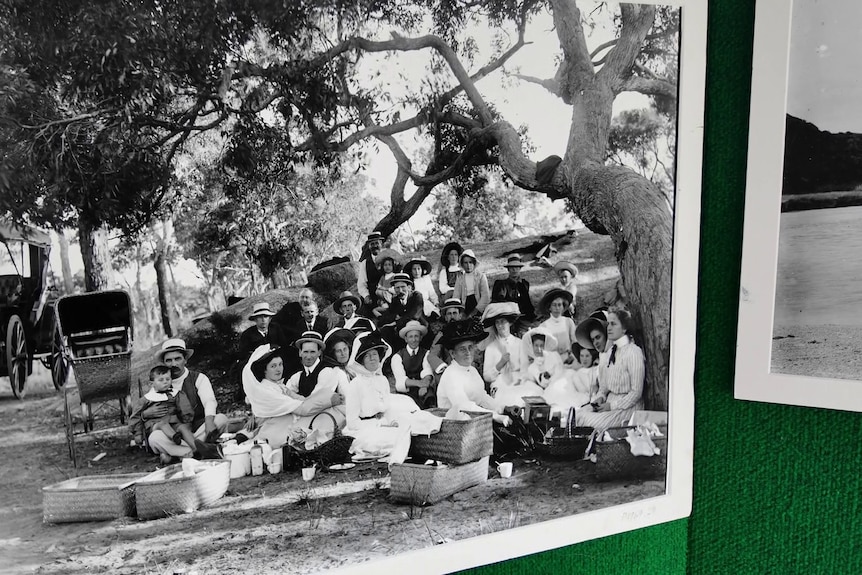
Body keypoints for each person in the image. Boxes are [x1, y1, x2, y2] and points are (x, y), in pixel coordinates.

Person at [340, 331, 431, 463]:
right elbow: (352, 423)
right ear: (362, 361)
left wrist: (391, 422)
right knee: (394, 438)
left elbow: (386, 409)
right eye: (367, 356)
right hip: (363, 430)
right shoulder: (356, 384)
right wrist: (380, 425)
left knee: (409, 429)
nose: (372, 359)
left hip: (383, 424)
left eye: (375, 354)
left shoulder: (382, 380)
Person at [241, 343, 346, 448]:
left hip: (287, 424)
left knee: (330, 409)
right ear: (264, 370)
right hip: (276, 432)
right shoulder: (267, 391)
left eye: (280, 364)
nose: (278, 369)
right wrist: (329, 400)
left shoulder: (278, 386)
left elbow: (302, 400)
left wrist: (328, 399)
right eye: (273, 366)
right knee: (327, 412)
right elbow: (302, 408)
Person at [143, 339, 228, 460]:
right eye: (169, 360)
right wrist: (146, 413)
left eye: (177, 359)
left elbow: (209, 401)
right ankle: (198, 450)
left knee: (221, 419)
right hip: (174, 434)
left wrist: (209, 422)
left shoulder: (198, 378)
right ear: (164, 363)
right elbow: (149, 408)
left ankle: (178, 453)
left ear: (185, 360)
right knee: (154, 438)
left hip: (198, 428)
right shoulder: (160, 383)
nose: (174, 364)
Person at [575, 309, 645, 432]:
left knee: (590, 424)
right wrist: (600, 398)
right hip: (610, 403)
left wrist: (611, 406)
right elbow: (604, 388)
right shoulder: (612, 352)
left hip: (627, 408)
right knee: (579, 415)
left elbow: (636, 393)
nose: (609, 328)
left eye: (613, 324)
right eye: (608, 324)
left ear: (624, 328)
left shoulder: (633, 352)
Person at [436, 320, 511, 426]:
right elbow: (463, 406)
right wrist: (495, 416)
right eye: (462, 349)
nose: (468, 353)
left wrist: (504, 408)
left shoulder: (472, 370)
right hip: (454, 427)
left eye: (470, 347)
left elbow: (482, 397)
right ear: (453, 353)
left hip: (473, 422)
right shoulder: (451, 375)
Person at [130, 365, 206, 464]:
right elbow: (136, 416)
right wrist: (138, 434)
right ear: (152, 383)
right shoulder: (147, 399)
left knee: (183, 428)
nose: (165, 382)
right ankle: (177, 442)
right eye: (161, 380)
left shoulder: (175, 394)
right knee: (162, 425)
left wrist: (187, 420)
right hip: (156, 425)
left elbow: (185, 408)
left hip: (174, 423)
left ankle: (196, 449)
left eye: (168, 379)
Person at [481, 302, 543, 409]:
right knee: (508, 397)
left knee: (533, 392)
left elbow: (525, 368)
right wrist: (499, 365)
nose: (500, 326)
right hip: (500, 382)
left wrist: (522, 378)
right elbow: (487, 376)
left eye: (503, 322)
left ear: (509, 323)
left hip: (519, 380)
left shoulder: (519, 343)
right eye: (497, 323)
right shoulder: (491, 347)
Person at [390, 320, 436, 407]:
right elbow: (401, 379)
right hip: (406, 391)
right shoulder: (397, 356)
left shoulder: (426, 353)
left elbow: (427, 371)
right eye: (410, 337)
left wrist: (424, 385)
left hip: (423, 390)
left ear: (421, 338)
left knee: (429, 399)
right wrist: (419, 383)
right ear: (406, 339)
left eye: (416, 336)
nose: (414, 340)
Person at [377, 272, 427, 350]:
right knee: (385, 330)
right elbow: (387, 315)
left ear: (409, 287)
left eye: (403, 287)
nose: (400, 290)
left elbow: (414, 315)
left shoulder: (417, 296)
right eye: (397, 288)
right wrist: (394, 317)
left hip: (417, 325)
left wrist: (396, 322)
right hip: (401, 327)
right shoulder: (395, 299)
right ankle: (392, 355)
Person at [537, 288, 578, 363]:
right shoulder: (543, 326)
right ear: (549, 307)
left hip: (569, 359)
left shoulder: (568, 322)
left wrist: (572, 355)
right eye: (554, 305)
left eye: (559, 305)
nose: (557, 308)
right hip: (551, 361)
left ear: (563, 307)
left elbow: (575, 342)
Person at [490, 255, 535, 320]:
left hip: (523, 316)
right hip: (506, 316)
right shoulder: (501, 284)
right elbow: (498, 301)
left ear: (520, 268)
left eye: (517, 268)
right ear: (508, 269)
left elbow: (527, 302)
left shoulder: (524, 284)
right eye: (512, 268)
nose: (514, 270)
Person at [452, 249, 491, 318]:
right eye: (465, 263)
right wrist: (461, 311)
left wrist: (474, 312)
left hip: (478, 304)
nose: (468, 265)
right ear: (462, 264)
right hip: (465, 305)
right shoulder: (460, 279)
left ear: (474, 263)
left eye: (470, 262)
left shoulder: (481, 276)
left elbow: (485, 296)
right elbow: (456, 296)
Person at [357, 230, 386, 315]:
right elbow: (361, 284)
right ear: (369, 246)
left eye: (377, 243)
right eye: (372, 244)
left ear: (381, 244)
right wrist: (366, 296)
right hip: (372, 297)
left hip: (388, 295)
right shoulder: (365, 263)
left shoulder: (389, 260)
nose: (375, 246)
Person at [372, 252, 399, 318]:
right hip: (383, 299)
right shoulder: (383, 277)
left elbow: (395, 289)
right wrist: (381, 289)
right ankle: (381, 318)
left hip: (391, 296)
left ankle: (391, 305)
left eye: (389, 265)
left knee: (383, 292)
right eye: (385, 265)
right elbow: (379, 287)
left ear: (393, 266)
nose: (387, 267)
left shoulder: (394, 276)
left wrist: (386, 289)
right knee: (374, 310)